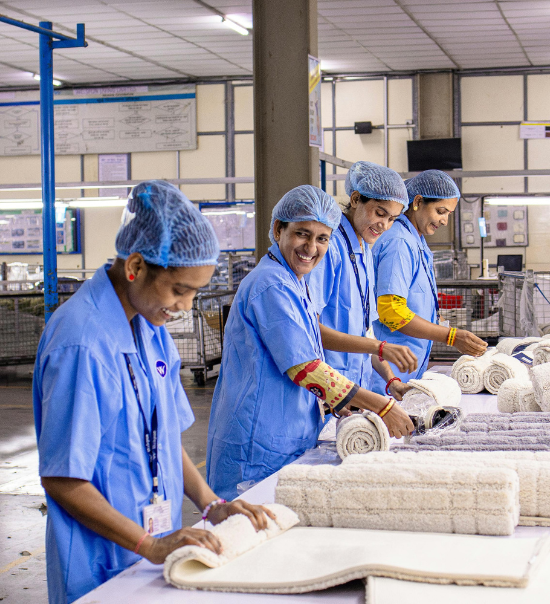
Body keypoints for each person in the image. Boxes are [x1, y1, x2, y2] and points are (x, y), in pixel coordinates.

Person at [33, 180, 273, 604]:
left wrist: (212, 505)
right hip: (101, 561)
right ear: (136, 266)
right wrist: (149, 545)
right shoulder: (82, 343)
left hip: (155, 547)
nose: (185, 306)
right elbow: (62, 479)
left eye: (195, 292)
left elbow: (164, 437)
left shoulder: (150, 325)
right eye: (179, 290)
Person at [207, 185, 414, 500]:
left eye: (322, 238)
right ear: (278, 229)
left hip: (285, 434)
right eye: (302, 234)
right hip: (257, 443)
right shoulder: (271, 285)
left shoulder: (294, 282)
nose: (311, 247)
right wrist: (381, 405)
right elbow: (305, 368)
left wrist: (338, 400)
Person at [307, 161, 418, 399]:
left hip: (353, 389)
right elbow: (308, 329)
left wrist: (392, 381)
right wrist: (380, 347)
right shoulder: (330, 247)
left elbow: (366, 332)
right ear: (356, 199)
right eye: (380, 213)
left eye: (392, 219)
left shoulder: (364, 250)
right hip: (325, 388)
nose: (384, 225)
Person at [371, 170, 487, 394]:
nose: (444, 220)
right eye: (440, 211)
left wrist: (451, 330)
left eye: (449, 214)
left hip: (406, 369)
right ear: (417, 202)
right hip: (387, 374)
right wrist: (451, 337)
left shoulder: (417, 242)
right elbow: (391, 311)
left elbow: (421, 306)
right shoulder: (399, 242)